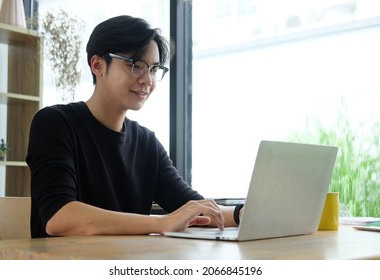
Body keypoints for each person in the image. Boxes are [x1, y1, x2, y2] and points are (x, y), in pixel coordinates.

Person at [26, 15, 241, 238]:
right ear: (98, 65)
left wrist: (241, 213)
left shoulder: (146, 142)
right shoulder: (54, 123)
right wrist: (162, 222)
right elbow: (59, 218)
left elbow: (193, 207)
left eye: (155, 69)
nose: (148, 80)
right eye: (136, 66)